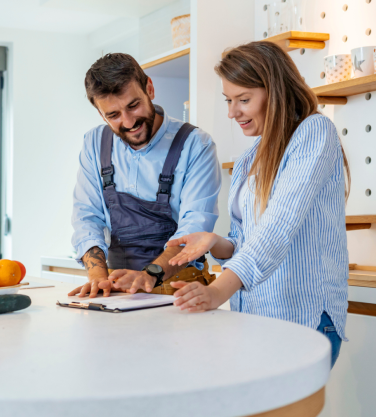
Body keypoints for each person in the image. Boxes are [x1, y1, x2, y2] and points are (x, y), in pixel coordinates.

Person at [167, 41, 350, 368]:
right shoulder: (249, 158)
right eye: (228, 100)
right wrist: (217, 242)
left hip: (303, 320)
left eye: (243, 100)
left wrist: (217, 292)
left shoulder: (314, 131)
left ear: (275, 91)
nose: (232, 112)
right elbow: (244, 237)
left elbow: (278, 227)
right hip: (255, 318)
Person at [69, 53, 221, 298]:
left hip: (180, 289)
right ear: (101, 114)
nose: (128, 122)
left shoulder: (195, 145)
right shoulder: (95, 143)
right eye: (113, 115)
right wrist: (99, 278)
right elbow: (87, 217)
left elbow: (193, 230)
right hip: (118, 289)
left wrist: (148, 275)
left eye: (133, 105)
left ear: (149, 88)